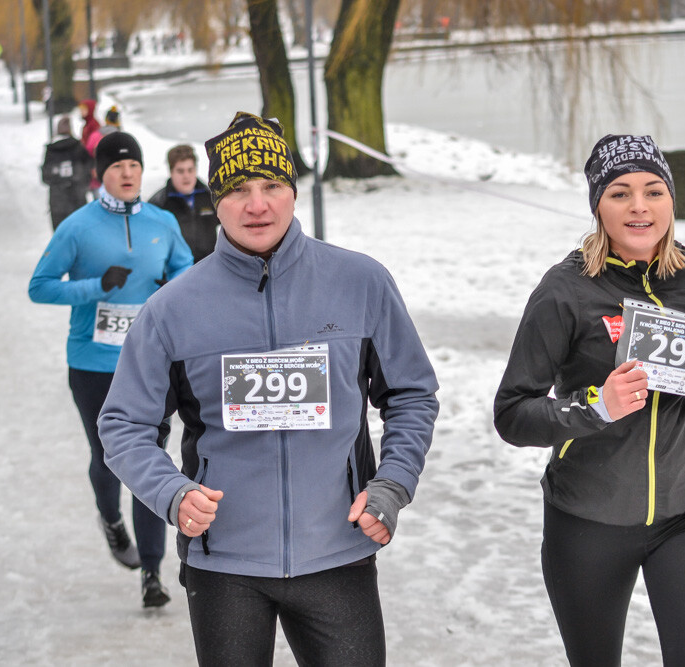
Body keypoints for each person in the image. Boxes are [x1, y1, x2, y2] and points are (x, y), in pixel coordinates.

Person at [98, 112, 439, 665]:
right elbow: (124, 426)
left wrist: (392, 485)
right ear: (216, 199)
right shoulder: (173, 309)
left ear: (294, 192)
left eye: (272, 186)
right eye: (237, 189)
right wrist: (173, 494)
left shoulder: (361, 282)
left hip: (337, 552)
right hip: (224, 563)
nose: (257, 205)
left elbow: (411, 395)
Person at [493, 134, 685, 667]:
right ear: (598, 207)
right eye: (620, 193)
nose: (640, 206)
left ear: (671, 201)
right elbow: (512, 413)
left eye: (654, 191)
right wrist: (598, 405)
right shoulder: (565, 292)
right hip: (587, 520)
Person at [28, 131, 194, 609]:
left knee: (149, 461)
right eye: (117, 166)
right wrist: (93, 287)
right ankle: (110, 518)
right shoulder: (77, 227)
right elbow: (39, 287)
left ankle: (152, 571)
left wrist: (170, 286)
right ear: (101, 173)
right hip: (93, 363)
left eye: (134, 166)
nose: (127, 174)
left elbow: (189, 271)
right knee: (107, 459)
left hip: (149, 363)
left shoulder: (162, 222)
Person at [148, 144, 219, 263]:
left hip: (208, 268)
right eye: (180, 171)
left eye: (190, 170)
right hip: (176, 273)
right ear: (171, 172)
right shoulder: (158, 203)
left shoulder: (211, 197)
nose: (186, 176)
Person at [41, 116, 94, 230]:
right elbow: (89, 167)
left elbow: (45, 177)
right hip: (77, 199)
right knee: (79, 236)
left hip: (57, 202)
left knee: (61, 237)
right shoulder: (78, 147)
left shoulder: (51, 150)